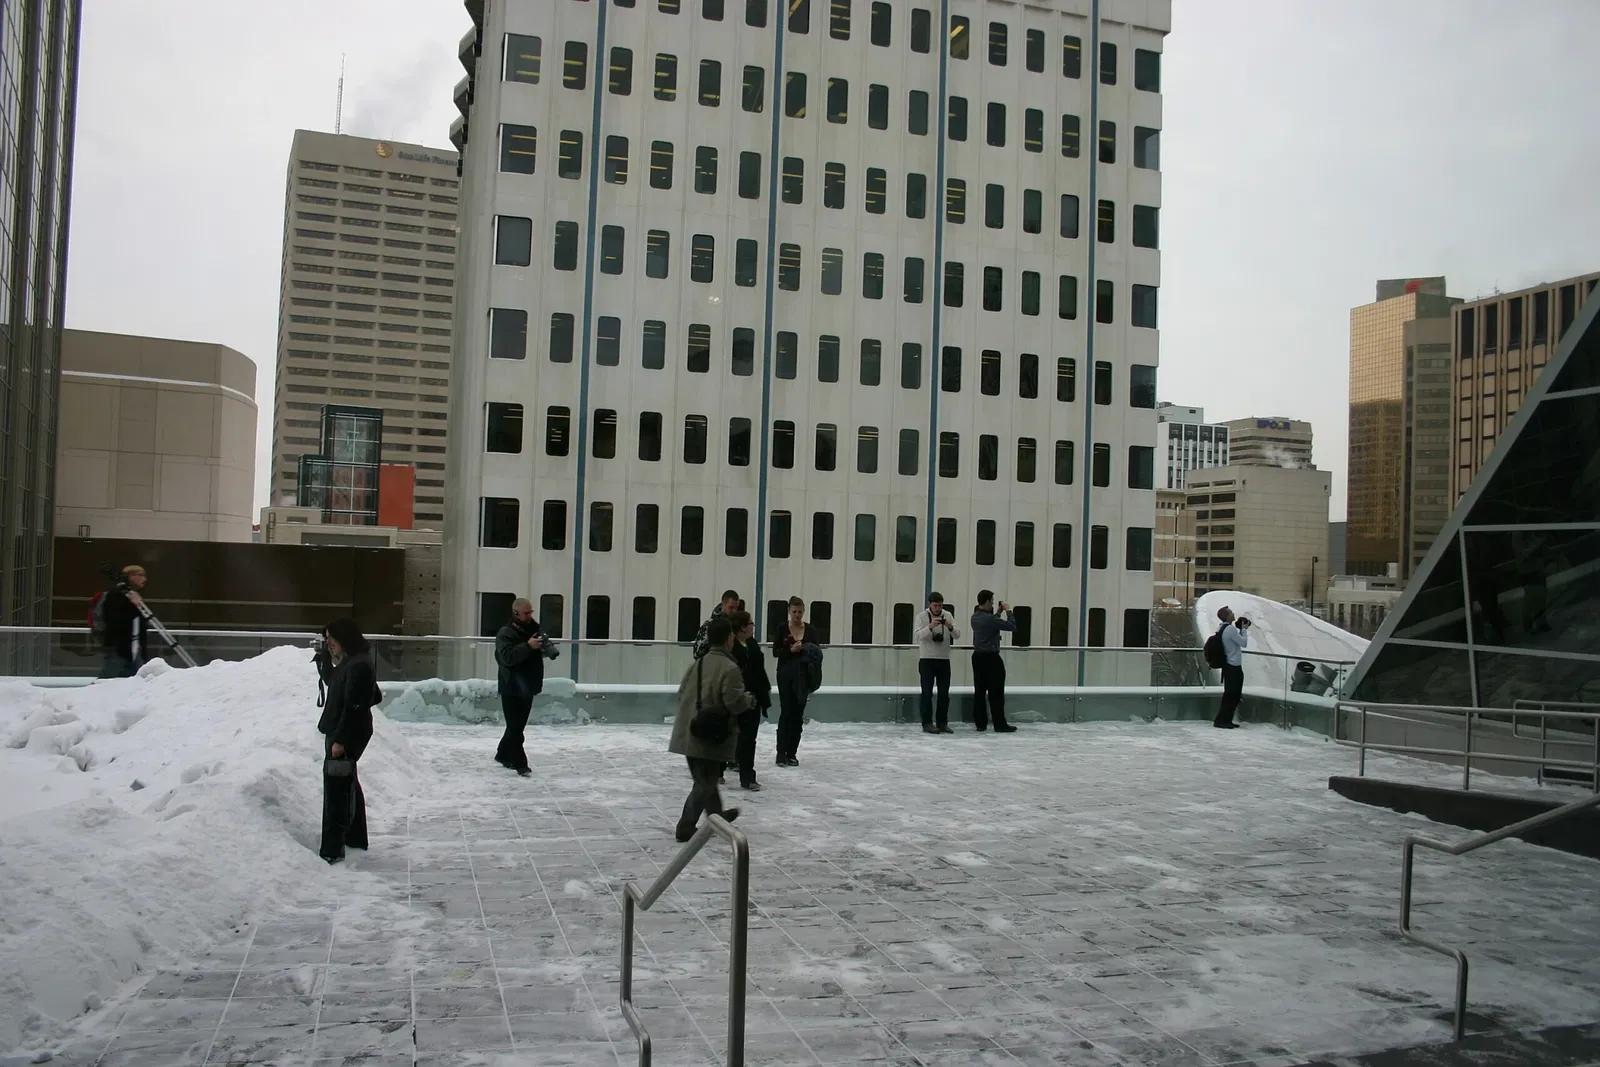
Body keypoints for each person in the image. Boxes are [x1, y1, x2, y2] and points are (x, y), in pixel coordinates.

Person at [668, 616, 754, 842]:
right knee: (704, 782)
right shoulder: (730, 668)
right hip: (708, 736)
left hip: (690, 731)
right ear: (729, 639)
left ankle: (717, 817)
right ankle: (686, 826)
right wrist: (749, 700)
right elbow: (734, 702)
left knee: (708, 778)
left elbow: (681, 693)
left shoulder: (698, 664)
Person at [315, 617, 378, 863]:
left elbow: (355, 707)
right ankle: (355, 837)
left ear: (345, 638)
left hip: (347, 733)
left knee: (337, 791)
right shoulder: (352, 661)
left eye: (331, 638)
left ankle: (332, 849)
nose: (328, 642)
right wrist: (323, 661)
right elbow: (334, 682)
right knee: (347, 781)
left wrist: (340, 740)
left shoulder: (359, 666)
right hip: (344, 729)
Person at [494, 598, 559, 776]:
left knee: (517, 726)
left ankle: (502, 754)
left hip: (528, 685)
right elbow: (507, 658)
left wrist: (543, 647)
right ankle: (520, 763)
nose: (530, 616)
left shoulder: (534, 630)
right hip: (511, 685)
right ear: (516, 613)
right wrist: (528, 646)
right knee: (515, 728)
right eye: (526, 613)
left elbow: (533, 656)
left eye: (531, 612)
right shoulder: (505, 633)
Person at [772, 596, 820, 767]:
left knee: (798, 714)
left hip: (803, 676)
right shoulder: (782, 628)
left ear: (803, 612)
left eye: (800, 612)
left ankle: (792, 752)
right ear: (789, 612)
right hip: (785, 674)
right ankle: (781, 752)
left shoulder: (811, 630)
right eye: (794, 612)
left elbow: (816, 653)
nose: (797, 615)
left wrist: (805, 650)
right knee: (786, 712)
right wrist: (791, 650)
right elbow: (776, 652)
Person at [729, 609, 770, 791]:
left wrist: (764, 692)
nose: (753, 626)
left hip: (753, 697)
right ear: (742, 627)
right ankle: (721, 769)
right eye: (750, 623)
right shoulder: (731, 646)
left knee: (749, 738)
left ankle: (747, 776)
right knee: (730, 735)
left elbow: (760, 671)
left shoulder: (753, 645)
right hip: (736, 696)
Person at [970, 590, 1017, 733]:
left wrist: (997, 613)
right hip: (991, 658)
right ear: (988, 601)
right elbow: (1011, 626)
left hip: (978, 657)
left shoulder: (975, 617)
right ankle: (999, 724)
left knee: (979, 691)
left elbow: (991, 625)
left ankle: (980, 723)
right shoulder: (990, 619)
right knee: (996, 693)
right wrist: (1008, 611)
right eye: (992, 601)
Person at [913, 592, 961, 734]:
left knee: (944, 693)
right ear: (930, 605)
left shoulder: (947, 615)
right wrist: (930, 627)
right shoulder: (921, 617)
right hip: (927, 659)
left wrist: (950, 626)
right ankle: (927, 723)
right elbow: (918, 636)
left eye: (940, 605)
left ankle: (942, 723)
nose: (938, 608)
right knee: (927, 693)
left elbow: (957, 635)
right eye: (935, 606)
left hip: (944, 659)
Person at [98, 565, 149, 679]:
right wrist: (134, 605)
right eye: (141, 575)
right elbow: (117, 620)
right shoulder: (116, 595)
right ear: (131, 576)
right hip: (120, 648)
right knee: (106, 680)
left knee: (134, 680)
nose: (144, 579)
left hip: (133, 648)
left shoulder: (130, 595)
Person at [1213, 606, 1250, 729]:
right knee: (1233, 695)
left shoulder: (1222, 628)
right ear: (1227, 616)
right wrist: (1244, 629)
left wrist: (1239, 630)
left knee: (1229, 694)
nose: (1234, 614)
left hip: (1228, 665)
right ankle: (1223, 720)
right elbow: (1243, 643)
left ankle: (1225, 719)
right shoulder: (1230, 629)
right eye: (1231, 613)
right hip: (1233, 665)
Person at [692, 589, 741, 660]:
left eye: (736, 608)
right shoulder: (709, 625)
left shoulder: (736, 625)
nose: (734, 611)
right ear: (723, 604)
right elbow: (697, 653)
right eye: (731, 607)